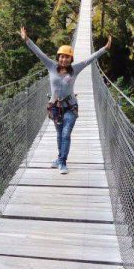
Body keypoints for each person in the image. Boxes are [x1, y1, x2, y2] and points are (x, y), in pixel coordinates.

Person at [20, 26, 112, 174]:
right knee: (59, 135)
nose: (64, 59)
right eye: (62, 56)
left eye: (67, 57)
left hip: (71, 107)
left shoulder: (75, 69)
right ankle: (59, 158)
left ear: (71, 59)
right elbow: (39, 53)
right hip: (55, 107)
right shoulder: (51, 66)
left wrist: (105, 49)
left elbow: (89, 59)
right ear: (58, 58)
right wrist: (26, 40)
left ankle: (62, 162)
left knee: (65, 134)